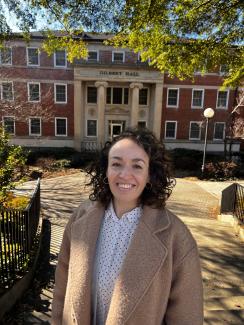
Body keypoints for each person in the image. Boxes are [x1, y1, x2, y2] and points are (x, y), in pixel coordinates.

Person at [52, 127, 203, 325]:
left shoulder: (176, 236)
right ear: (106, 169)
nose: (125, 174)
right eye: (116, 164)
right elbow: (62, 287)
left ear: (150, 174)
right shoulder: (80, 218)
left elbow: (187, 315)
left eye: (137, 166)